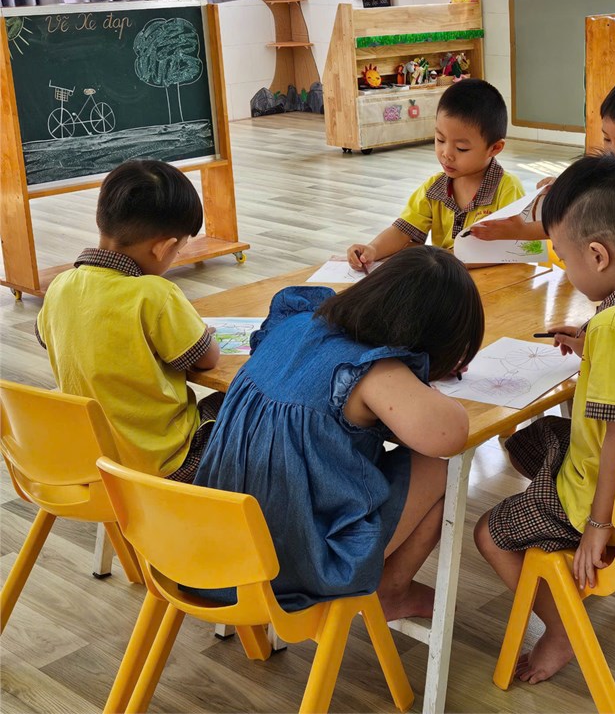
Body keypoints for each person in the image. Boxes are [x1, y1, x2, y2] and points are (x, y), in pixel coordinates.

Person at [473, 154, 615, 685]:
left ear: (597, 255)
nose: (566, 271)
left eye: (564, 258)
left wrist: (599, 525)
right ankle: (563, 543)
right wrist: (589, 344)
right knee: (529, 441)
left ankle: (561, 628)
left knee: (489, 532)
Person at [193, 247, 483, 618]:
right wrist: (421, 378)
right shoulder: (373, 369)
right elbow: (450, 434)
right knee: (441, 468)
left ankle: (390, 589)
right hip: (286, 567)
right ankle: (391, 591)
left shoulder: (296, 322)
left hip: (211, 546)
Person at [36, 160, 221, 482]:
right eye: (178, 251)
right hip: (163, 467)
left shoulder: (61, 286)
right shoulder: (155, 294)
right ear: (163, 248)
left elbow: (46, 336)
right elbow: (207, 359)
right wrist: (201, 333)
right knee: (240, 403)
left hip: (92, 462)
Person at [469, 68, 615, 276]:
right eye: (607, 139)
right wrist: (564, 188)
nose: (612, 152)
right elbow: (591, 194)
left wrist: (523, 231)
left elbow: (582, 225)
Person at [346, 79, 524, 269]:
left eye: (461, 148)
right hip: (447, 278)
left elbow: (517, 247)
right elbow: (403, 230)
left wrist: (456, 262)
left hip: (500, 280)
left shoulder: (507, 189)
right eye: (440, 139)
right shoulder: (434, 188)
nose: (446, 153)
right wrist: (373, 249)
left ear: (495, 148)